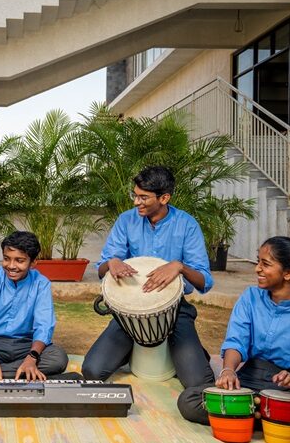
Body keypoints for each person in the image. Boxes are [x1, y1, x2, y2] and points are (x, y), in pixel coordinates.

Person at [178, 236, 290, 442]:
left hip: (289, 388)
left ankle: (247, 414)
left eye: (265, 264)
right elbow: (236, 341)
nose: (257, 269)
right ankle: (285, 420)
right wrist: (229, 370)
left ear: (288, 273)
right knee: (189, 400)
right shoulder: (250, 297)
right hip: (249, 381)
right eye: (258, 261)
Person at [82, 166, 215, 390]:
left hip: (174, 310)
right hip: (129, 313)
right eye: (135, 195)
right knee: (92, 371)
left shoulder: (187, 224)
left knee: (197, 382)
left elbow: (204, 281)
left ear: (164, 198)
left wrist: (179, 267)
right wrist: (111, 262)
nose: (136, 202)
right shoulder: (126, 221)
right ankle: (128, 350)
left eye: (143, 197)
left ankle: (189, 351)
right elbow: (102, 269)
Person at [0, 231, 69, 380]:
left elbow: (44, 326)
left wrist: (32, 358)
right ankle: (24, 374)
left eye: (19, 260)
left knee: (58, 359)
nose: (11, 266)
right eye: (6, 259)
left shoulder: (41, 284)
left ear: (33, 262)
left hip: (27, 345)